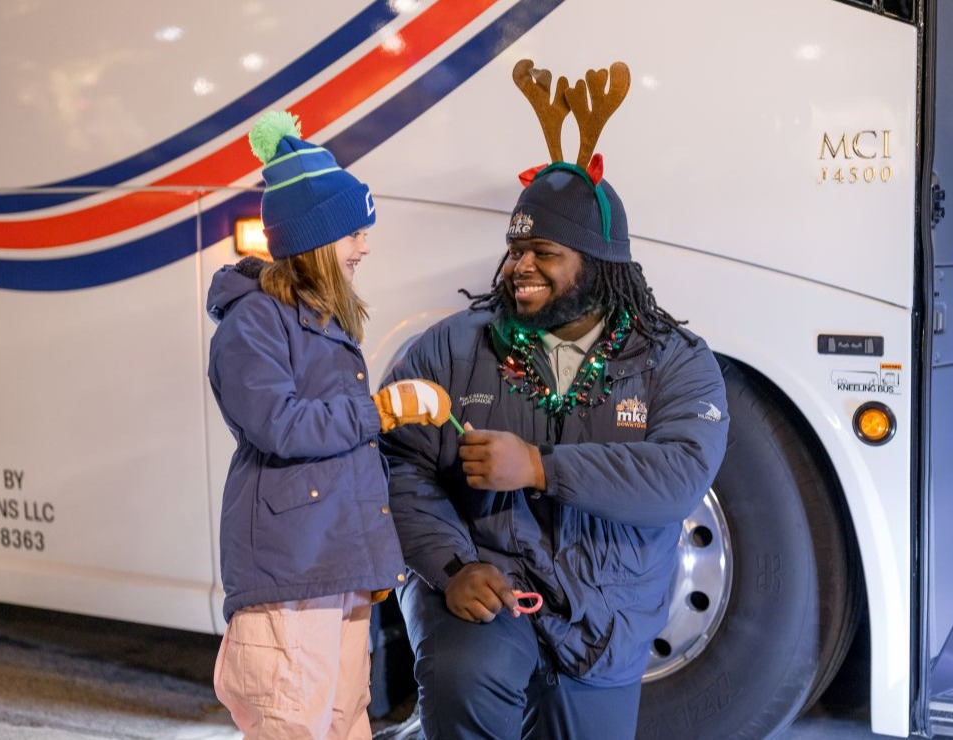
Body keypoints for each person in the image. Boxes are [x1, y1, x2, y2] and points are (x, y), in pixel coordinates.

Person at [379, 61, 729, 739]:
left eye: (542, 251)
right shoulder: (450, 350)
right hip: (484, 588)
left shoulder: (676, 362)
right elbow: (400, 468)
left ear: (596, 265)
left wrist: (540, 467)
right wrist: (453, 566)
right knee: (464, 682)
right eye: (514, 249)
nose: (519, 266)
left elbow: (679, 475)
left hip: (606, 618)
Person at [206, 110, 451, 740]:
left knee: (346, 721)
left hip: (333, 574)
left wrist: (369, 563)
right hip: (290, 581)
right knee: (293, 721)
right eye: (352, 233)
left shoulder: (323, 321)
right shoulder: (253, 323)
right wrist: (383, 409)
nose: (364, 246)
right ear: (315, 238)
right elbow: (281, 425)